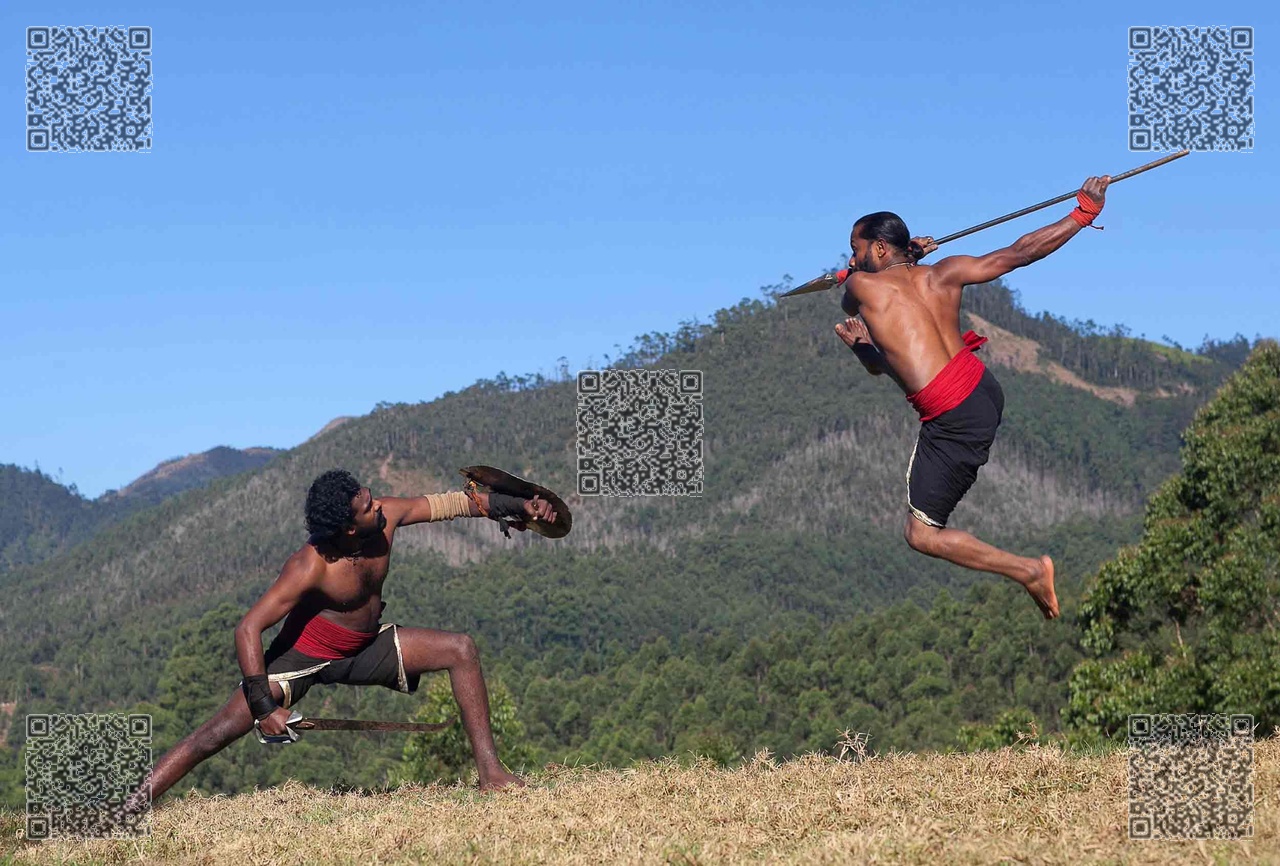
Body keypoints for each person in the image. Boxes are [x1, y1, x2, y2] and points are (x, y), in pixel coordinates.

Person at [131, 468, 556, 807]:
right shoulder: (309, 566)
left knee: (460, 649)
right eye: (367, 506)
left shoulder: (385, 517)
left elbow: (450, 503)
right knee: (214, 734)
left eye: (368, 495)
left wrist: (518, 506)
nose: (377, 503)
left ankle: (491, 775)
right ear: (349, 529)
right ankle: (127, 809)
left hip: (367, 646)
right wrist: (264, 709)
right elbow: (248, 628)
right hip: (302, 657)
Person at [833, 175, 1112, 619]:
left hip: (953, 413)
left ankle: (1029, 571)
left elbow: (849, 296)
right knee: (924, 522)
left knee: (921, 535)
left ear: (880, 250)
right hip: (981, 390)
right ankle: (1028, 571)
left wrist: (850, 273)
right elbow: (1017, 254)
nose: (852, 257)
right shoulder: (944, 273)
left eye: (856, 248)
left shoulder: (862, 288)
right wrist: (1083, 213)